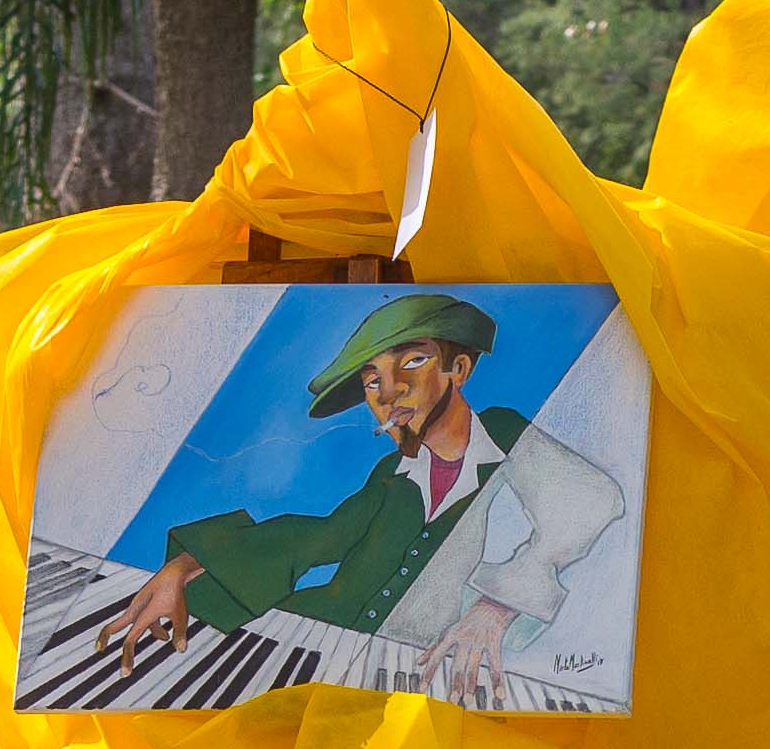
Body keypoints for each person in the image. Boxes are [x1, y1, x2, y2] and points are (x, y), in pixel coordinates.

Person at [106, 292, 628, 700]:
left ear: (459, 370)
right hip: (317, 643)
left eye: (412, 362)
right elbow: (321, 538)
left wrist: (496, 607)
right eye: (372, 380)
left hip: (417, 676)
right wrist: (185, 568)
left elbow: (593, 499)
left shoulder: (504, 435)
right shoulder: (394, 472)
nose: (388, 391)